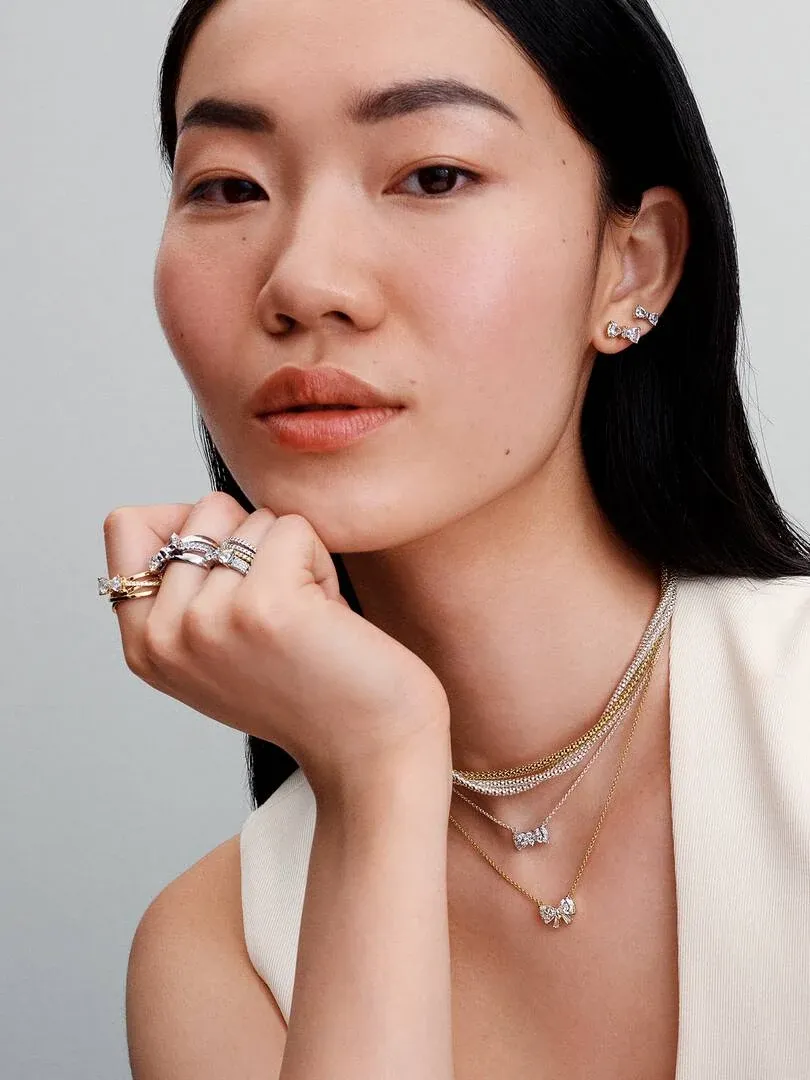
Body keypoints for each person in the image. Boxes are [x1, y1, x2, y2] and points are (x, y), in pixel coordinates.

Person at [101, 0, 810, 1077]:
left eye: (433, 175)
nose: (305, 283)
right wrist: (376, 770)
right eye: (230, 187)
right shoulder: (218, 952)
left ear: (633, 267)